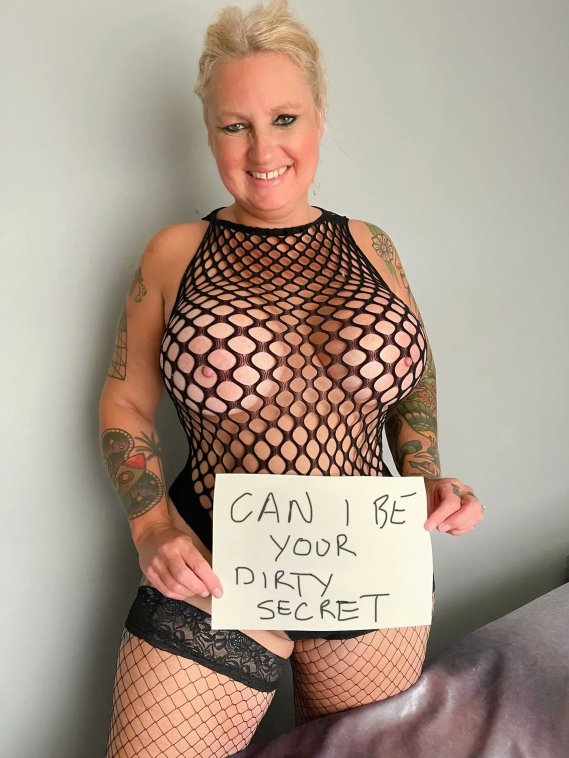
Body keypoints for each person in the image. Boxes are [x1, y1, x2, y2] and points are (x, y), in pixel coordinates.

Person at [99, 1, 485, 755]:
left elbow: (415, 372)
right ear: (208, 131)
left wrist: (425, 476)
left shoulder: (371, 245)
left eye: (284, 118)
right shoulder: (175, 251)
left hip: (370, 568)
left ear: (318, 116)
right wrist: (151, 526)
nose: (261, 148)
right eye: (233, 125)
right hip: (212, 565)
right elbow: (126, 399)